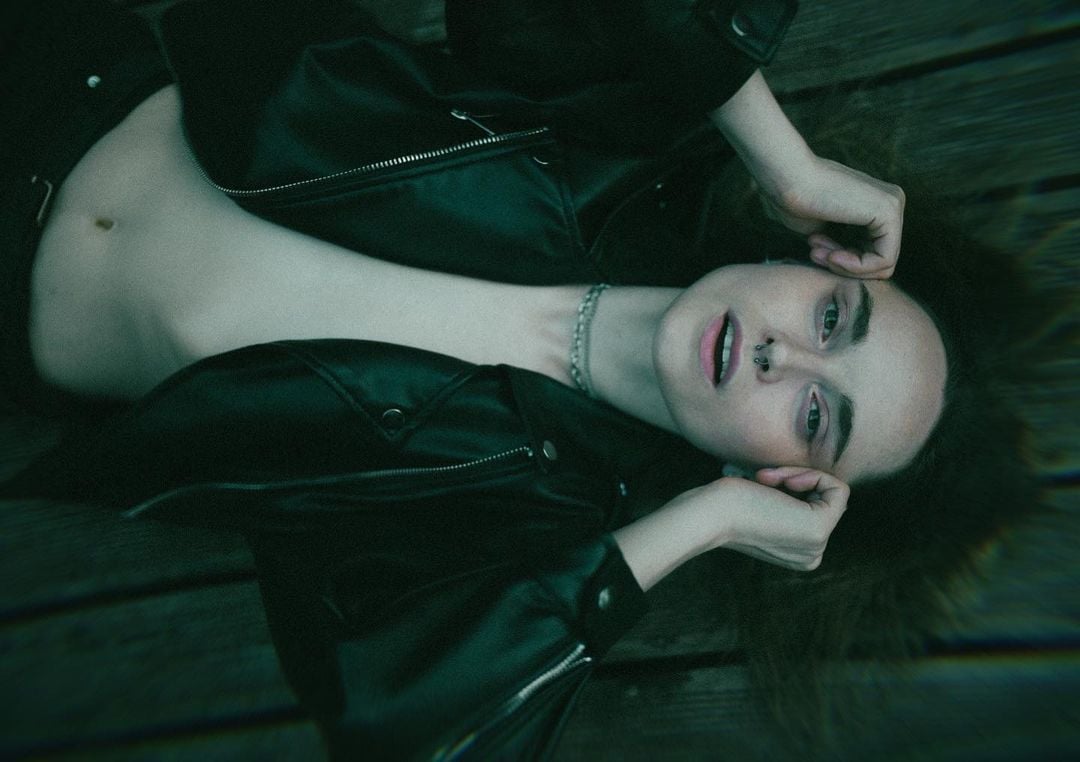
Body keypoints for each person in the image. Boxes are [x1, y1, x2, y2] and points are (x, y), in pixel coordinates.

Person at [2, 0, 1041, 758]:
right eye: (831, 317)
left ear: (784, 480)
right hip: (60, 67)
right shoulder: (621, 141)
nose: (785, 355)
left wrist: (703, 523)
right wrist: (782, 158)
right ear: (807, 259)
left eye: (815, 415)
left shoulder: (540, 530)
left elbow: (410, 729)